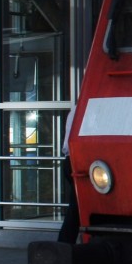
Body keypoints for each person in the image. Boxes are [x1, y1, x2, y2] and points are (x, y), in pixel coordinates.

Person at [57, 100, 79, 245]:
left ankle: (65, 243)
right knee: (76, 206)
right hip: (77, 160)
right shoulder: (82, 110)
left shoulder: (75, 111)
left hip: (70, 160)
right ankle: (65, 244)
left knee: (76, 204)